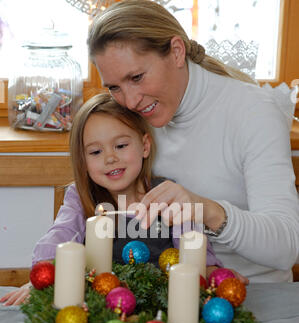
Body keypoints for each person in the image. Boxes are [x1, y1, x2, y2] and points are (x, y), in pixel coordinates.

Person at [87, 0, 299, 283]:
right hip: (161, 291)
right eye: (115, 87)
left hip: (252, 294)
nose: (130, 100)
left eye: (137, 77)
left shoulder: (253, 110)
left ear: (176, 52)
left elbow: (286, 248)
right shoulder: (128, 117)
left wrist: (206, 209)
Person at [1, 93, 240, 307]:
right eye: (96, 152)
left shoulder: (167, 193)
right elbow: (59, 235)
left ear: (144, 146)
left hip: (163, 305)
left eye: (121, 145)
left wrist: (214, 275)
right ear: (83, 161)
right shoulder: (81, 196)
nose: (110, 158)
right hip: (100, 307)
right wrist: (43, 277)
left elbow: (195, 246)